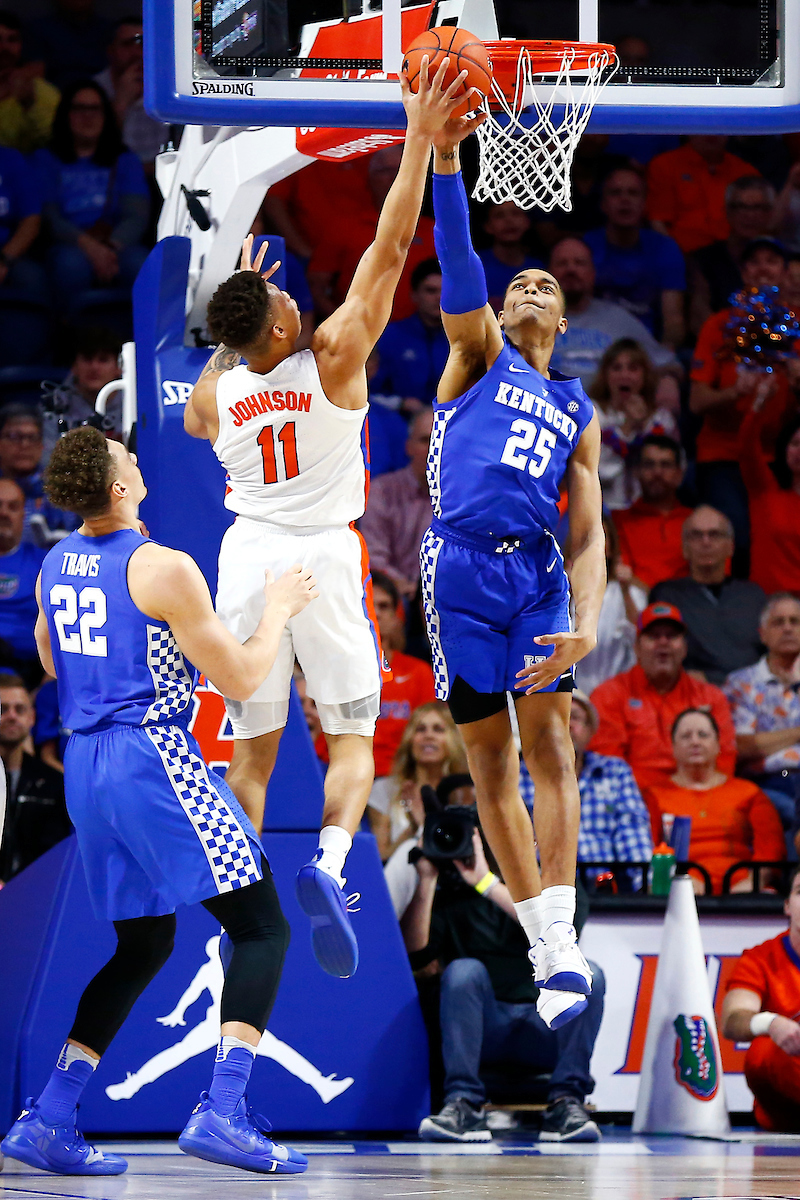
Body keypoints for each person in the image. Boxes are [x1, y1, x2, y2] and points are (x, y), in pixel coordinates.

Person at [182, 63, 475, 981]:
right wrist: (421, 138)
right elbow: (389, 249)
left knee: (255, 754)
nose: (295, 300)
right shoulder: (335, 358)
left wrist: (231, 324)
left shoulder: (224, 391)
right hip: (323, 557)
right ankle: (333, 864)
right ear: (276, 334)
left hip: (246, 561)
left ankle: (244, 903)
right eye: (280, 304)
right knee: (351, 739)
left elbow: (196, 408)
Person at [0, 426, 317, 1177]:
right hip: (152, 759)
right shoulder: (164, 567)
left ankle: (49, 1117)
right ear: (117, 488)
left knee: (144, 945)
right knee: (263, 926)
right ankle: (224, 1110)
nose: (138, 463)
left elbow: (49, 658)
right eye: (128, 460)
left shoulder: (54, 561)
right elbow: (240, 679)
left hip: (85, 767)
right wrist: (278, 609)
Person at [421, 119, 607, 1034]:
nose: (531, 283)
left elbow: (593, 534)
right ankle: (539, 941)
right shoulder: (477, 355)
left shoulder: (580, 408)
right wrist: (447, 158)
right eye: (518, 281)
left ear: (565, 322)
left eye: (549, 284)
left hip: (536, 577)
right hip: (457, 572)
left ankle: (561, 939)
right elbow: (457, 254)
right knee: (490, 761)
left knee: (555, 751)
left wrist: (589, 618)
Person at [403, 788, 606, 1144]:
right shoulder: (454, 895)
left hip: (546, 1026)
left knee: (594, 973)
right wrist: (426, 880)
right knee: (464, 971)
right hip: (486, 1029)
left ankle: (565, 1103)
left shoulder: (556, 887)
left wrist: (485, 883)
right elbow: (417, 955)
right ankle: (463, 1103)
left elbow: (560, 933)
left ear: (535, 843)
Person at [689, 237, 799, 570]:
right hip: (725, 456)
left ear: (785, 273)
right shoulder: (719, 326)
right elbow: (696, 402)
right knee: (739, 537)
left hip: (782, 458)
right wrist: (734, 392)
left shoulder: (796, 327)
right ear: (743, 272)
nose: (763, 268)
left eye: (772, 261)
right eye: (754, 262)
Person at [590, 602, 737, 793]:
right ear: (636, 647)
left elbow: (725, 759)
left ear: (684, 648)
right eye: (653, 636)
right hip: (633, 799)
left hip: (701, 796)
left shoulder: (710, 697)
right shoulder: (609, 695)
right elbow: (608, 765)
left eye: (671, 636)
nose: (663, 642)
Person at [643, 708, 785, 894]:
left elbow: (771, 850)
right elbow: (646, 851)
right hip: (680, 888)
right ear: (672, 746)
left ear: (718, 744)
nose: (695, 741)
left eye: (703, 735)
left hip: (743, 890)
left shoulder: (748, 792)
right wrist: (677, 881)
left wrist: (753, 882)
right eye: (686, 736)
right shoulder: (654, 795)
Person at [35, 80, 149, 301]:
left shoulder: (124, 160)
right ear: (65, 114)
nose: (88, 116)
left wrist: (109, 248)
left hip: (116, 243)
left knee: (140, 263)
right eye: (79, 109)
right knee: (70, 266)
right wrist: (90, 248)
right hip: (68, 243)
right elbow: (49, 217)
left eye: (95, 109)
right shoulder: (44, 160)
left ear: (105, 115)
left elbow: (136, 216)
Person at [307, 144, 437, 322]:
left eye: (401, 170)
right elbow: (316, 286)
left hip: (424, 335)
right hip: (358, 333)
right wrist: (344, 326)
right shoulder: (344, 227)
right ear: (369, 178)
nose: (393, 178)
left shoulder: (434, 229)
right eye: (384, 170)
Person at [722, 863, 800, 1131]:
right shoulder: (760, 958)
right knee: (762, 1052)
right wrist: (771, 1023)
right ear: (787, 905)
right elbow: (732, 1019)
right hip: (788, 1090)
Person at [651, 505, 765, 684]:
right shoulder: (667, 595)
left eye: (715, 535)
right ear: (684, 548)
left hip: (754, 693)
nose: (706, 542)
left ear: (730, 547)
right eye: (696, 535)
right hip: (694, 692)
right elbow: (657, 648)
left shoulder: (754, 595)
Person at [547, 237, 679, 389]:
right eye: (562, 263)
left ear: (592, 273)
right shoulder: (530, 321)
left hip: (607, 410)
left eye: (579, 263)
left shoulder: (618, 319)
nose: (571, 270)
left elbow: (669, 364)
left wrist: (668, 382)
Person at [724, 594, 800, 837]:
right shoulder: (742, 683)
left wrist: (771, 740)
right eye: (778, 622)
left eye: (795, 621)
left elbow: (757, 742)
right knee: (787, 811)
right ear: (762, 633)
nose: (787, 628)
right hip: (769, 781)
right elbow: (743, 746)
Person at [584, 167, 686, 345]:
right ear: (603, 204)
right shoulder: (586, 247)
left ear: (644, 203)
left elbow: (674, 322)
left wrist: (662, 359)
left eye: (633, 193)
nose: (625, 200)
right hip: (593, 345)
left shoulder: (665, 248)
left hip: (646, 349)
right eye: (616, 193)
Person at [368, 700, 466, 865]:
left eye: (438, 729)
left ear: (453, 739)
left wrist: (425, 824)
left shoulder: (466, 791)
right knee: (412, 848)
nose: (428, 735)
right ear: (410, 739)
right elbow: (381, 860)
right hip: (403, 876)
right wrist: (414, 828)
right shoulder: (384, 790)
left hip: (455, 876)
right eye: (420, 729)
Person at [569, 690, 653, 879]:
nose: (566, 724)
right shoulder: (518, 773)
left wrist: (644, 887)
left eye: (574, 717)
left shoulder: (615, 772)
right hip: (539, 895)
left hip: (605, 893)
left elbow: (632, 832)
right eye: (558, 717)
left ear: (591, 731)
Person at [589, 338, 680, 510]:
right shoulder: (592, 414)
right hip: (603, 510)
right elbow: (601, 472)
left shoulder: (661, 419)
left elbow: (670, 472)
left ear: (645, 375)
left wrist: (644, 425)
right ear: (605, 375)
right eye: (616, 368)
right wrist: (628, 426)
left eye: (633, 368)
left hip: (649, 512)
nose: (624, 375)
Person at [0, 670, 69, 881]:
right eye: (2, 709)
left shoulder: (53, 783)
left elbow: (56, 854)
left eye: (19, 709)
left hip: (36, 896)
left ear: (32, 718)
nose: (11, 716)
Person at [359, 409, 434, 600]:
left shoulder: (463, 497)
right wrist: (402, 585)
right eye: (425, 440)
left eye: (440, 440)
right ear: (408, 446)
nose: (433, 448)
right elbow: (374, 557)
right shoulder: (382, 491)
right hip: (396, 594)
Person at [369, 569, 436, 783]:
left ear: (397, 616)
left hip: (403, 777)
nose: (376, 613)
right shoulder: (334, 670)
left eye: (384, 606)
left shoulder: (418, 673)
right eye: (369, 604)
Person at [689, 175, 776, 333]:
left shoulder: (785, 262)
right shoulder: (704, 260)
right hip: (722, 346)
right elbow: (699, 321)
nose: (749, 215)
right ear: (727, 211)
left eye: (758, 208)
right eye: (740, 207)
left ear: (770, 213)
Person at [646, 136, 761, 254]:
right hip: (681, 258)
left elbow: (762, 224)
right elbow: (658, 223)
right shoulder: (664, 165)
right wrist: (678, 259)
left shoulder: (746, 172)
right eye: (706, 122)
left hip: (737, 260)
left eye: (718, 123)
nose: (711, 132)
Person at [574, 514, 646, 697]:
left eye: (601, 537)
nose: (594, 544)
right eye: (587, 537)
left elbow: (641, 635)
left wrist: (625, 590)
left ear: (612, 547)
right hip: (575, 690)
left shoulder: (629, 592)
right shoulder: (563, 591)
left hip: (620, 690)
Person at [612, 435, 692, 589]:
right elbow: (620, 575)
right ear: (636, 472)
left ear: (679, 474)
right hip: (633, 606)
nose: (657, 472)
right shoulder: (617, 521)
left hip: (689, 608)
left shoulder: (697, 523)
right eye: (649, 465)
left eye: (666, 465)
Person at [738, 404, 800, 596]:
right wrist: (759, 404)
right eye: (795, 444)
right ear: (784, 449)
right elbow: (746, 446)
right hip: (766, 604)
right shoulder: (764, 491)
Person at [369, 259, 449, 408]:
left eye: (445, 291)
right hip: (395, 421)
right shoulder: (389, 337)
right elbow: (370, 392)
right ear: (414, 295)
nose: (439, 298)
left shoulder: (464, 339)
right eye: (431, 291)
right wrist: (401, 404)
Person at [94, 16, 167, 169]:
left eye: (143, 44)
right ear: (111, 50)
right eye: (127, 45)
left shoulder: (168, 88)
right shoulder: (92, 90)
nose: (136, 53)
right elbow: (91, 155)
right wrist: (120, 105)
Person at [41, 327, 123, 460]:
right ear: (74, 366)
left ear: (119, 367)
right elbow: (48, 459)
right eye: (87, 359)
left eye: (103, 360)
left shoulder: (136, 405)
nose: (94, 367)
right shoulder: (54, 405)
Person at [0, 405, 77, 545]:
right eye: (14, 437)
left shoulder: (60, 490)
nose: (24, 444)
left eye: (32, 437)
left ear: (42, 445)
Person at [0, 477, 46, 686]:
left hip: (31, 674)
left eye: (13, 507)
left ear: (23, 515)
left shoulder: (46, 564)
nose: (4, 513)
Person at [0, 9, 59, 153]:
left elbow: (58, 143)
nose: (4, 47)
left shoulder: (42, 91)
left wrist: (30, 104)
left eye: (12, 40)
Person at [23, 0, 111, 92]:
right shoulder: (38, 30)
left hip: (102, 99)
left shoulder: (111, 31)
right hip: (56, 99)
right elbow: (35, 80)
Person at [477, 201, 544, 313]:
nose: (509, 220)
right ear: (488, 226)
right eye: (500, 215)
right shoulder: (477, 267)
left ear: (527, 221)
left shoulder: (538, 269)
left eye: (515, 213)